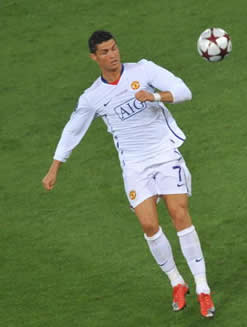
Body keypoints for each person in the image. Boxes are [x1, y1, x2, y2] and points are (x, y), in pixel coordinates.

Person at [42, 31, 215, 318]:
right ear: (94, 58)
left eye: (114, 48)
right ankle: (177, 282)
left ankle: (203, 288)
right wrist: (54, 167)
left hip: (164, 154)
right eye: (105, 52)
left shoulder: (144, 70)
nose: (113, 55)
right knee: (149, 225)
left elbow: (184, 91)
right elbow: (72, 130)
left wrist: (156, 96)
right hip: (134, 166)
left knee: (179, 214)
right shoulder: (92, 97)